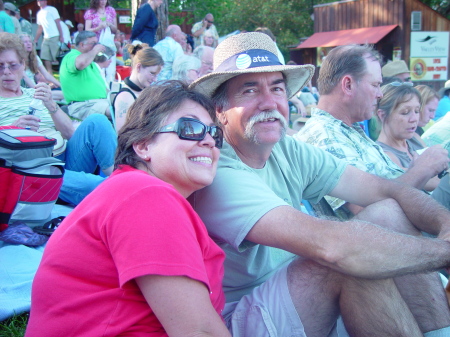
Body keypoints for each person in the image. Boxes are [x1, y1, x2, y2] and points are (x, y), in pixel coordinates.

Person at [190, 33, 450, 336]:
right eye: (249, 90)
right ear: (220, 109)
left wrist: (445, 224)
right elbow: (331, 248)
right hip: (242, 316)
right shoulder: (216, 167)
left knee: (388, 212)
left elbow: (388, 189)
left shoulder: (287, 148)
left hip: (296, 290)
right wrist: (442, 253)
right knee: (345, 259)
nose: (268, 102)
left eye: (276, 88)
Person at [25, 81, 231, 337]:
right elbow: (199, 332)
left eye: (215, 134)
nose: (210, 141)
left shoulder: (135, 191)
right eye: (191, 128)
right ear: (144, 145)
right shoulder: (146, 195)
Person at [0, 32, 117, 206]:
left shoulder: (35, 94)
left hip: (64, 157)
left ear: (23, 66)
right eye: (0, 66)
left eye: (12, 65)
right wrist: (11, 130)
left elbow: (69, 132)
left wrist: (51, 106)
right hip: (33, 170)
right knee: (97, 186)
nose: (7, 72)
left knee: (97, 121)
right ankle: (122, 190)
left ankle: (121, 174)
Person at [375, 83, 450, 210]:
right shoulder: (385, 154)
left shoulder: (414, 138)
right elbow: (419, 182)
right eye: (405, 112)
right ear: (382, 115)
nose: (414, 118)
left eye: (417, 111)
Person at [59, 31, 110, 121]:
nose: (97, 46)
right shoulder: (71, 56)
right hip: (83, 105)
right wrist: (95, 51)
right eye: (93, 43)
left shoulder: (91, 63)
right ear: (82, 45)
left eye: (97, 43)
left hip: (100, 103)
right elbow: (81, 63)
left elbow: (103, 87)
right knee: (117, 110)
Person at [114, 43, 163, 132]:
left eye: (157, 75)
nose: (155, 79)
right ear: (139, 67)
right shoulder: (125, 97)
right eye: (152, 73)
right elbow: (122, 135)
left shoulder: (147, 92)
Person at [20, 33, 63, 101]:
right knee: (64, 94)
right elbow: (25, 78)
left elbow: (46, 75)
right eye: (25, 42)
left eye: (30, 41)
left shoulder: (35, 58)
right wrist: (37, 91)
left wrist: (61, 85)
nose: (28, 43)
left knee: (63, 92)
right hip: (26, 91)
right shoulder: (17, 60)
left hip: (35, 90)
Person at [84, 0, 118, 84]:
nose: (103, 1)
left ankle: (110, 85)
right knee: (99, 67)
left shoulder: (111, 10)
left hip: (109, 44)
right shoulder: (90, 13)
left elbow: (115, 29)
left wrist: (110, 25)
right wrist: (98, 28)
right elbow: (86, 30)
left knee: (110, 68)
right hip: (95, 44)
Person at [34, 0, 64, 74]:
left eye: (41, 0)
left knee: (57, 56)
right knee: (45, 56)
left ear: (45, 1)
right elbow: (40, 27)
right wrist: (35, 39)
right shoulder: (39, 13)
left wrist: (61, 35)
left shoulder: (52, 9)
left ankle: (62, 73)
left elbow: (58, 22)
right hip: (46, 37)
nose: (39, 2)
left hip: (55, 35)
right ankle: (49, 73)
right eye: (38, 0)